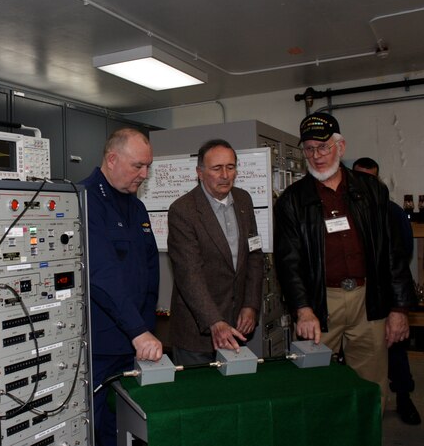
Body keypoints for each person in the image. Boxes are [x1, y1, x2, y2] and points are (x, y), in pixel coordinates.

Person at [274, 112, 416, 410]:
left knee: (370, 385)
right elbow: (289, 262)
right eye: (309, 148)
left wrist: (399, 308)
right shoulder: (292, 200)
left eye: (324, 147)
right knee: (315, 385)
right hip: (320, 303)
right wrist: (303, 309)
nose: (317, 155)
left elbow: (393, 251)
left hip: (369, 301)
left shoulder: (372, 190)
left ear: (341, 147)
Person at [81, 128, 163, 446]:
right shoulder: (86, 199)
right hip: (103, 347)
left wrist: (146, 328)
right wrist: (137, 330)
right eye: (137, 166)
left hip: (135, 343)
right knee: (101, 428)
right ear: (112, 159)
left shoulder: (136, 206)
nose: (144, 174)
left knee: (128, 429)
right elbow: (101, 276)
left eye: (148, 167)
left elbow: (150, 270)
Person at [167, 139, 264, 364]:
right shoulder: (183, 210)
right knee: (200, 395)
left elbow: (254, 255)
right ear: (200, 173)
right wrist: (214, 321)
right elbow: (189, 274)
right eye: (217, 168)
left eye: (230, 167)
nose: (225, 175)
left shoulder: (243, 200)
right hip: (197, 332)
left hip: (237, 324)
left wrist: (251, 305)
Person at [352, 156, 421, 425]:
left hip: (385, 294)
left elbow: (402, 256)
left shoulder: (392, 212)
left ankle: (404, 397)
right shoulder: (343, 209)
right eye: (362, 178)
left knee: (394, 348)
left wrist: (398, 305)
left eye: (372, 178)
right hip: (354, 295)